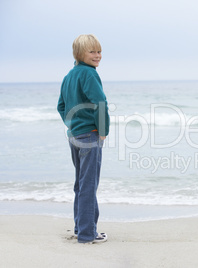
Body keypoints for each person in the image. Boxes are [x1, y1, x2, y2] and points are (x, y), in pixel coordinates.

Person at [57, 34, 110, 244]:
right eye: (92, 52)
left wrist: (72, 125)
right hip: (90, 134)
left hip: (75, 135)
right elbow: (100, 101)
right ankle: (88, 234)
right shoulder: (89, 74)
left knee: (81, 183)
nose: (97, 56)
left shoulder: (69, 76)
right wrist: (103, 130)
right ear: (80, 54)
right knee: (88, 184)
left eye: (99, 51)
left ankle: (81, 228)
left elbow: (61, 106)